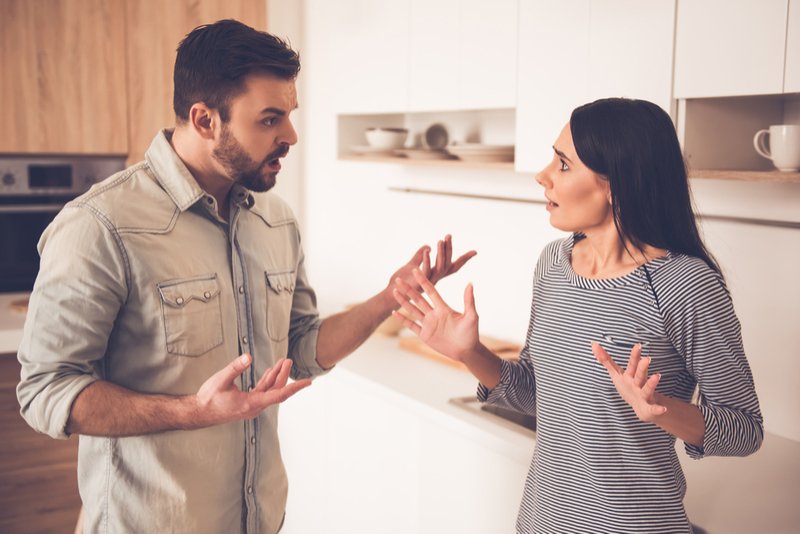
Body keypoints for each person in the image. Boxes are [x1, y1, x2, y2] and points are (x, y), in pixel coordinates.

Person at [16, 19, 475, 534]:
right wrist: (194, 411)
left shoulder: (275, 220)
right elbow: (46, 391)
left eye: (290, 116)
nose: (291, 136)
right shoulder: (99, 225)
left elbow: (299, 348)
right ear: (205, 119)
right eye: (270, 120)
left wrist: (389, 298)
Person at [392, 98, 763, 533]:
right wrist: (471, 353)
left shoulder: (685, 285)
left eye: (563, 165)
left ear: (615, 185)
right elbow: (536, 395)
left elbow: (745, 428)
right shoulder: (554, 263)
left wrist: (662, 409)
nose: (543, 175)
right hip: (540, 521)